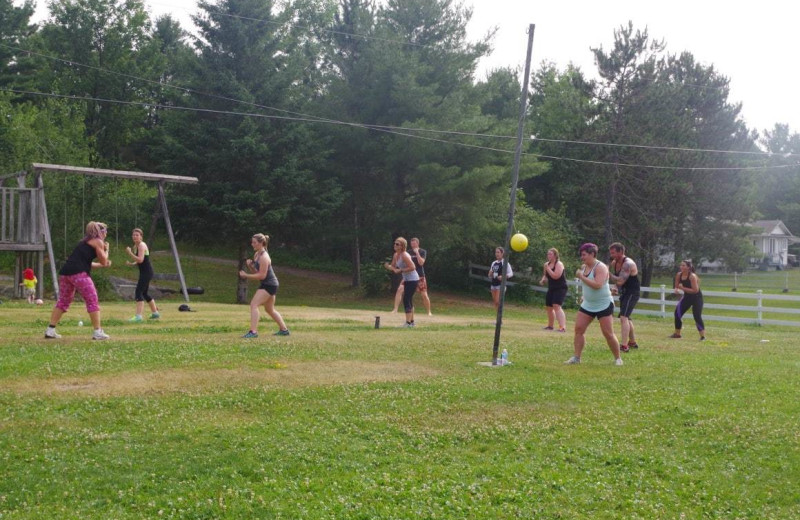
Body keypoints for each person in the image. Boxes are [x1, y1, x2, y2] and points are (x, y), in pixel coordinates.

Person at [44, 221, 112, 340]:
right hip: (79, 274)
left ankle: (50, 330)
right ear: (101, 232)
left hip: (66, 273)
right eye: (105, 231)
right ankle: (97, 332)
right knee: (92, 300)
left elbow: (87, 263)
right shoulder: (98, 242)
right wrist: (106, 252)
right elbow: (104, 261)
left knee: (63, 301)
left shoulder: (84, 242)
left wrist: (103, 263)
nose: (106, 233)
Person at [565, 243, 623, 366]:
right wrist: (584, 295)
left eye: (584, 255)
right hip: (588, 304)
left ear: (592, 254)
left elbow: (597, 285)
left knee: (608, 333)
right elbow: (587, 285)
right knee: (579, 329)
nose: (582, 257)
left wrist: (581, 276)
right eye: (581, 255)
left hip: (603, 304)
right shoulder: (584, 266)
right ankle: (576, 358)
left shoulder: (600, 267)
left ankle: (618, 359)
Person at [239, 233, 290, 338]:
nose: (252, 244)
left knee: (254, 305)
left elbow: (262, 275)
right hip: (269, 284)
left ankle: (253, 332)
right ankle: (284, 330)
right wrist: (250, 266)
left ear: (261, 243)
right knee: (269, 309)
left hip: (269, 284)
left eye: (254, 242)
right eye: (252, 242)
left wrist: (246, 275)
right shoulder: (257, 254)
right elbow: (257, 272)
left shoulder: (264, 257)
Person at [608, 242, 641, 352]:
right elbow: (617, 279)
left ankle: (624, 345)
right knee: (627, 317)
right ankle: (632, 342)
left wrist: (607, 274)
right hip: (625, 292)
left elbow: (621, 280)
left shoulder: (628, 264)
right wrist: (615, 287)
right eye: (610, 252)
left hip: (632, 292)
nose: (611, 255)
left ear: (621, 252)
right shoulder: (615, 261)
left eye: (613, 253)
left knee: (624, 317)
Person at [124, 228, 160, 322]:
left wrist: (130, 253)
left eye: (137, 235)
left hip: (146, 272)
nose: (135, 236)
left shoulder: (141, 245)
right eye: (133, 235)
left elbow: (140, 260)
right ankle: (155, 313)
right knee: (145, 293)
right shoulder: (136, 246)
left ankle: (138, 317)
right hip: (146, 272)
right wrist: (132, 263)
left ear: (141, 237)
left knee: (138, 292)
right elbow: (140, 260)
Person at [384, 237, 420, 327]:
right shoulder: (396, 255)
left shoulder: (404, 255)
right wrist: (388, 267)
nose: (395, 245)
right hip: (407, 279)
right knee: (408, 300)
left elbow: (413, 267)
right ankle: (411, 322)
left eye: (397, 244)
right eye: (394, 243)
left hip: (413, 279)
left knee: (406, 299)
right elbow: (393, 266)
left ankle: (408, 323)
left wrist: (400, 270)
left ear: (402, 246)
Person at [391, 237, 432, 316]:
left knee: (424, 294)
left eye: (414, 243)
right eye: (411, 243)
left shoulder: (422, 251)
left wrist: (417, 253)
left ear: (417, 243)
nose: (412, 245)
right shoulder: (408, 252)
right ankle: (395, 309)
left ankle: (429, 312)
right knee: (400, 289)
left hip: (420, 276)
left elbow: (421, 263)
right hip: (408, 276)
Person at [671, 259, 706, 340]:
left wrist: (682, 288)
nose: (681, 267)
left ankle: (702, 336)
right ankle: (677, 334)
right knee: (677, 314)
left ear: (688, 267)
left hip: (697, 298)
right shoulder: (679, 275)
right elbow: (676, 286)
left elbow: (695, 290)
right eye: (681, 265)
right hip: (687, 297)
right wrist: (676, 290)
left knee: (697, 316)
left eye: (683, 265)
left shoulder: (692, 276)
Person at [539, 248, 567, 332]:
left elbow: (556, 276)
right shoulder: (546, 264)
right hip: (551, 288)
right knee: (549, 307)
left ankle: (562, 327)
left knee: (556, 306)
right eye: (548, 254)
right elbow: (545, 275)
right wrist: (543, 280)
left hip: (560, 287)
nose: (548, 256)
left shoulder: (559, 264)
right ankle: (550, 326)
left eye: (550, 254)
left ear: (555, 255)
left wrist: (548, 268)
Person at [488, 246, 513, 312]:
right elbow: (490, 275)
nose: (497, 254)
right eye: (496, 252)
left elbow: (511, 273)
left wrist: (503, 277)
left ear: (502, 253)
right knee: (495, 303)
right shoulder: (494, 263)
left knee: (497, 301)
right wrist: (490, 274)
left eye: (498, 252)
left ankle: (499, 318)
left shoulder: (505, 263)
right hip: (493, 285)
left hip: (501, 285)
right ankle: (497, 318)